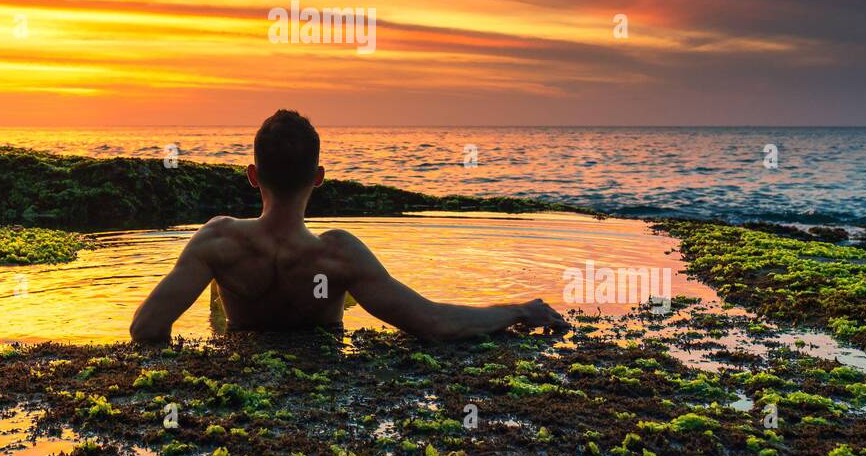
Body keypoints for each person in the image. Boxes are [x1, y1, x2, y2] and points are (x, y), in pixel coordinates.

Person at [130, 110, 571, 344]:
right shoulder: (337, 254)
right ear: (319, 178)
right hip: (324, 370)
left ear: (252, 175)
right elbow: (436, 323)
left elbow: (146, 328)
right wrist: (517, 310)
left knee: (217, 299)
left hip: (242, 350)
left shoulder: (218, 240)